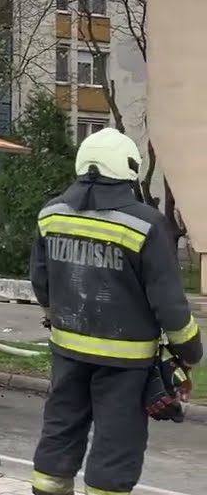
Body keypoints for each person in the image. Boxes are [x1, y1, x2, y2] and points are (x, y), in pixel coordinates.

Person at [29, 127, 202, 495]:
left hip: (67, 352)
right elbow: (169, 302)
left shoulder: (51, 214)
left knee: (60, 429)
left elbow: (41, 281)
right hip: (126, 363)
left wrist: (55, 314)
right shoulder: (146, 224)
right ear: (128, 170)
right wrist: (190, 351)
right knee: (116, 443)